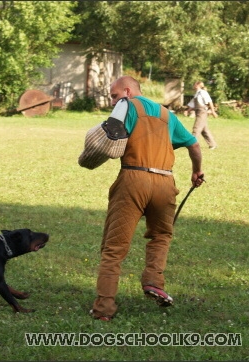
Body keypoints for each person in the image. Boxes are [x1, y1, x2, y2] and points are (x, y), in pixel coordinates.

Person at [90, 76, 205, 321]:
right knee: (161, 235)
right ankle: (154, 281)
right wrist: (196, 171)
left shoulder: (127, 106)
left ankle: (103, 309)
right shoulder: (167, 114)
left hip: (133, 179)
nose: (113, 101)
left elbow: (109, 137)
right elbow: (194, 145)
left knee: (114, 249)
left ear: (128, 91)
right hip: (165, 182)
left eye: (114, 95)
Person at [184, 81, 218, 150]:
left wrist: (213, 111)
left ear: (197, 85)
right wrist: (187, 111)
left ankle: (192, 145)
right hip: (198, 112)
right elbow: (193, 105)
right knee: (204, 130)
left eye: (194, 84)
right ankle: (213, 144)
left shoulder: (203, 92)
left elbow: (210, 102)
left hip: (202, 112)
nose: (193, 86)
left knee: (196, 128)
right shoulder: (197, 94)